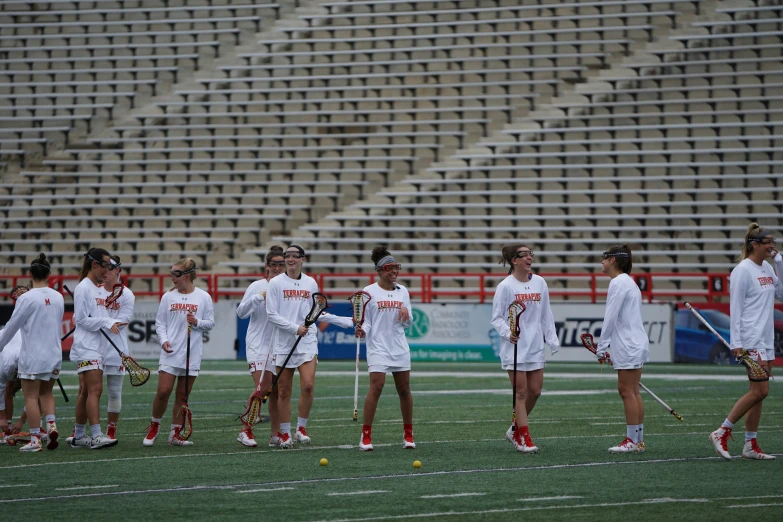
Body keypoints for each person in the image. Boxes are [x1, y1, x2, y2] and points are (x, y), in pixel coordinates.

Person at [265, 244, 352, 448]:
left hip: (307, 340)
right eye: (288, 255)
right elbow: (271, 314)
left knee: (308, 385)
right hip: (285, 341)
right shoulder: (276, 283)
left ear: (303, 259)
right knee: (284, 390)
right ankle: (285, 433)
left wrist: (345, 321)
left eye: (295, 256)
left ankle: (301, 428)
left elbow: (316, 313)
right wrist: (295, 328)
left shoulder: (310, 283)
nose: (290, 259)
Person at [710, 223, 783, 460]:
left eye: (773, 242)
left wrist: (780, 265)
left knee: (758, 392)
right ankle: (722, 431)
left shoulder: (768, 268)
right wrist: (736, 342)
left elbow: (781, 294)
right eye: (768, 243)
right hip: (751, 337)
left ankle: (750, 444)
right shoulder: (742, 270)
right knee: (760, 389)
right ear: (754, 245)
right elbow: (736, 308)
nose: (772, 246)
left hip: (766, 337)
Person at [491, 244, 559, 454]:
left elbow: (546, 313)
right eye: (525, 255)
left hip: (535, 346)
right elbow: (497, 317)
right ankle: (523, 436)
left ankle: (514, 429)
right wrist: (507, 333)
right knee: (520, 393)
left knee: (535, 391)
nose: (530, 258)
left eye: (531, 254)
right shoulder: (506, 286)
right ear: (514, 260)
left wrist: (552, 339)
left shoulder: (540, 282)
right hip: (515, 348)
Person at [144, 258, 214, 447]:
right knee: (163, 391)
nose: (172, 277)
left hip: (192, 353)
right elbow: (160, 323)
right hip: (171, 351)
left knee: (182, 396)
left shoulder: (203, 297)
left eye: (176, 274)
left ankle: (175, 433)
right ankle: (154, 426)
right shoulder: (168, 297)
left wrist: (197, 322)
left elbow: (210, 323)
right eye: (172, 273)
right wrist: (164, 340)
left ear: (188, 275)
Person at [0, 254, 65, 452]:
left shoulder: (26, 298)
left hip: (33, 356)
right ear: (49, 274)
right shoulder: (58, 296)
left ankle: (35, 439)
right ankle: (51, 425)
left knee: (31, 396)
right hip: (54, 354)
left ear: (30, 274)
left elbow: (12, 326)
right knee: (46, 393)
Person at [354, 246, 414, 452]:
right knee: (376, 387)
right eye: (389, 268)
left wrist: (406, 312)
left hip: (399, 347)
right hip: (378, 347)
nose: (394, 271)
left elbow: (408, 324)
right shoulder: (368, 292)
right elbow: (368, 322)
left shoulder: (403, 291)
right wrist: (362, 329)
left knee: (404, 390)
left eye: (396, 267)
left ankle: (408, 434)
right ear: (380, 271)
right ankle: (366, 435)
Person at [596, 244, 650, 453]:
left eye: (605, 257)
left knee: (626, 391)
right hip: (634, 342)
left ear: (613, 260)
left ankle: (631, 441)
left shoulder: (618, 283)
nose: (602, 261)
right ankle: (638, 440)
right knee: (634, 391)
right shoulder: (629, 282)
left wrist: (602, 346)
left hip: (628, 344)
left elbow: (611, 316)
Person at [70, 248, 124, 450]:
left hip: (96, 346)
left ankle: (79, 436)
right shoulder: (84, 288)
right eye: (106, 265)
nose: (108, 270)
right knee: (95, 390)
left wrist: (107, 321)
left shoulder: (99, 288)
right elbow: (82, 320)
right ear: (94, 264)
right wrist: (106, 321)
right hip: (87, 346)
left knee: (85, 391)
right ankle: (96, 435)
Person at [235, 245, 286, 448]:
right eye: (274, 264)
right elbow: (241, 312)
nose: (278, 268)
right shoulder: (257, 286)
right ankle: (245, 430)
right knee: (262, 388)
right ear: (267, 266)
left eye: (281, 264)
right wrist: (259, 297)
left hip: (279, 345)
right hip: (258, 344)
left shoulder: (286, 287)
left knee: (275, 392)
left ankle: (275, 434)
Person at [102, 255, 135, 440]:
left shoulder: (127, 294)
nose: (104, 271)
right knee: (88, 390)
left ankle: (111, 429)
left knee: (114, 392)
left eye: (109, 267)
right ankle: (80, 429)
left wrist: (98, 321)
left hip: (116, 348)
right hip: (94, 348)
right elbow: (79, 318)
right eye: (102, 267)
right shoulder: (94, 291)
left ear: (117, 270)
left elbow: (123, 320)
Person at [0, 323, 24, 443]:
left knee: (35, 393)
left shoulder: (30, 365)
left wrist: (21, 421)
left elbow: (36, 396)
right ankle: (7, 426)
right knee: (6, 388)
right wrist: (2, 418)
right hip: (6, 341)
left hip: (26, 346)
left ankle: (38, 428)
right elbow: (0, 389)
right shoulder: (5, 365)